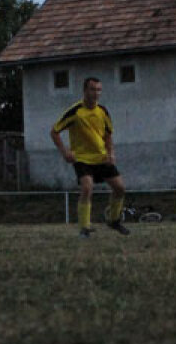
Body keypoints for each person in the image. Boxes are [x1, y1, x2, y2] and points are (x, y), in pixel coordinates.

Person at [51, 77, 130, 238]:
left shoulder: (103, 111)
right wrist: (65, 151)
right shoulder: (75, 112)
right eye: (93, 89)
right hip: (82, 158)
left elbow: (108, 135)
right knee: (87, 187)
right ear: (85, 91)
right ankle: (84, 228)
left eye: (99, 90)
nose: (96, 93)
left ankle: (114, 220)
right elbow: (54, 131)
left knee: (120, 188)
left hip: (101, 157)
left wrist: (111, 153)